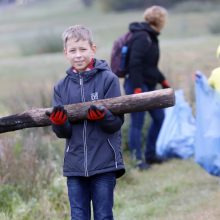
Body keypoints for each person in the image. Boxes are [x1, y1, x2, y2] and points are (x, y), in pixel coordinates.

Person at [46, 25, 125, 220]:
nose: (78, 55)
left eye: (83, 49)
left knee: (103, 215)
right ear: (66, 53)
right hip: (75, 165)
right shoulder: (60, 87)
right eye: (73, 50)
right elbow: (63, 133)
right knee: (78, 216)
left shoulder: (109, 79)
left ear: (93, 49)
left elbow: (116, 123)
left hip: (104, 162)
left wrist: (103, 116)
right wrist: (58, 123)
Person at [123, 5, 170, 170]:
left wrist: (163, 81)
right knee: (137, 122)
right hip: (136, 84)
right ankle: (137, 161)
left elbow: (150, 66)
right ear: (160, 20)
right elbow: (134, 63)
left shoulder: (150, 36)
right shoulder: (142, 37)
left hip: (148, 84)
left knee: (159, 117)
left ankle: (150, 155)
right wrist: (136, 89)